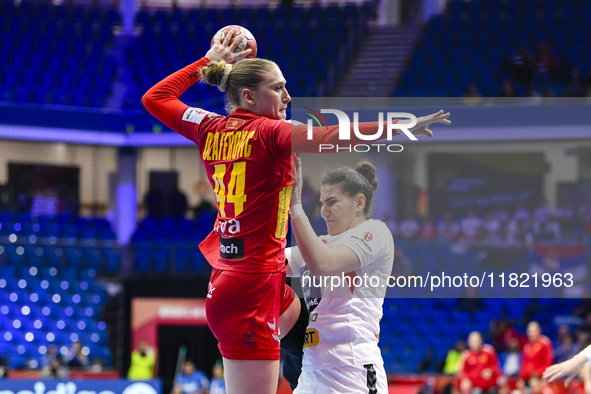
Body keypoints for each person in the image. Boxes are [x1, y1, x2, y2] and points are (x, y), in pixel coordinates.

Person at [142, 29, 451, 394]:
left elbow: (155, 97)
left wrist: (207, 61)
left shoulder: (208, 126)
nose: (288, 96)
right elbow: (335, 136)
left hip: (246, 279)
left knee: (307, 348)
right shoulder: (273, 132)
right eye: (277, 88)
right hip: (252, 290)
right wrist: (401, 126)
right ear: (248, 96)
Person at [285, 160, 394, 393]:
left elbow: (324, 264)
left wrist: (295, 204)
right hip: (311, 371)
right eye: (322, 203)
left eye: (332, 202)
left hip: (352, 371)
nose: (324, 211)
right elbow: (266, 263)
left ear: (359, 202)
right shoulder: (320, 243)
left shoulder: (375, 232)